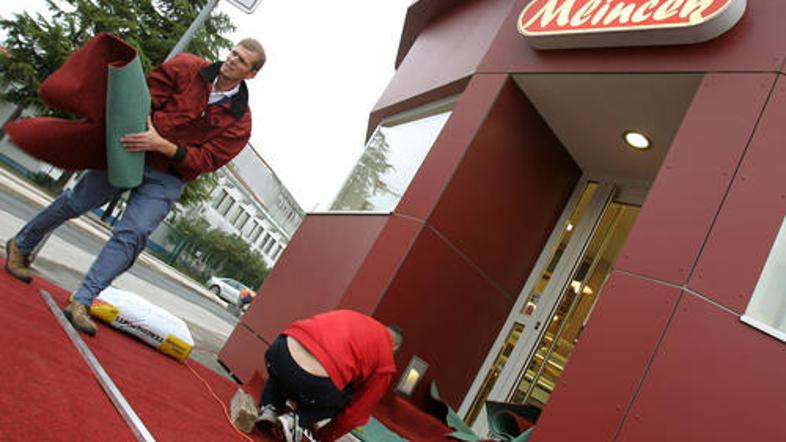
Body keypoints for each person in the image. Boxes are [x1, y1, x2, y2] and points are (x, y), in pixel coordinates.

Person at [4, 38, 266, 336]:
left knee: (134, 233)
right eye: (233, 53)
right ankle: (21, 245)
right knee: (75, 202)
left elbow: (206, 160)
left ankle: (83, 299)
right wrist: (141, 130)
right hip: (132, 150)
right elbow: (145, 96)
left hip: (168, 175)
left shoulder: (240, 121)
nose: (233, 60)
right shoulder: (187, 67)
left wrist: (164, 146)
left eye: (242, 61)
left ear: (251, 74)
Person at [256, 310, 403, 442]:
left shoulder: (354, 317)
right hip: (310, 383)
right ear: (394, 347)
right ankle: (295, 422)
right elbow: (356, 414)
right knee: (347, 397)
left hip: (278, 350)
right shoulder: (385, 360)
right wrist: (325, 436)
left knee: (286, 366)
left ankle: (270, 407)